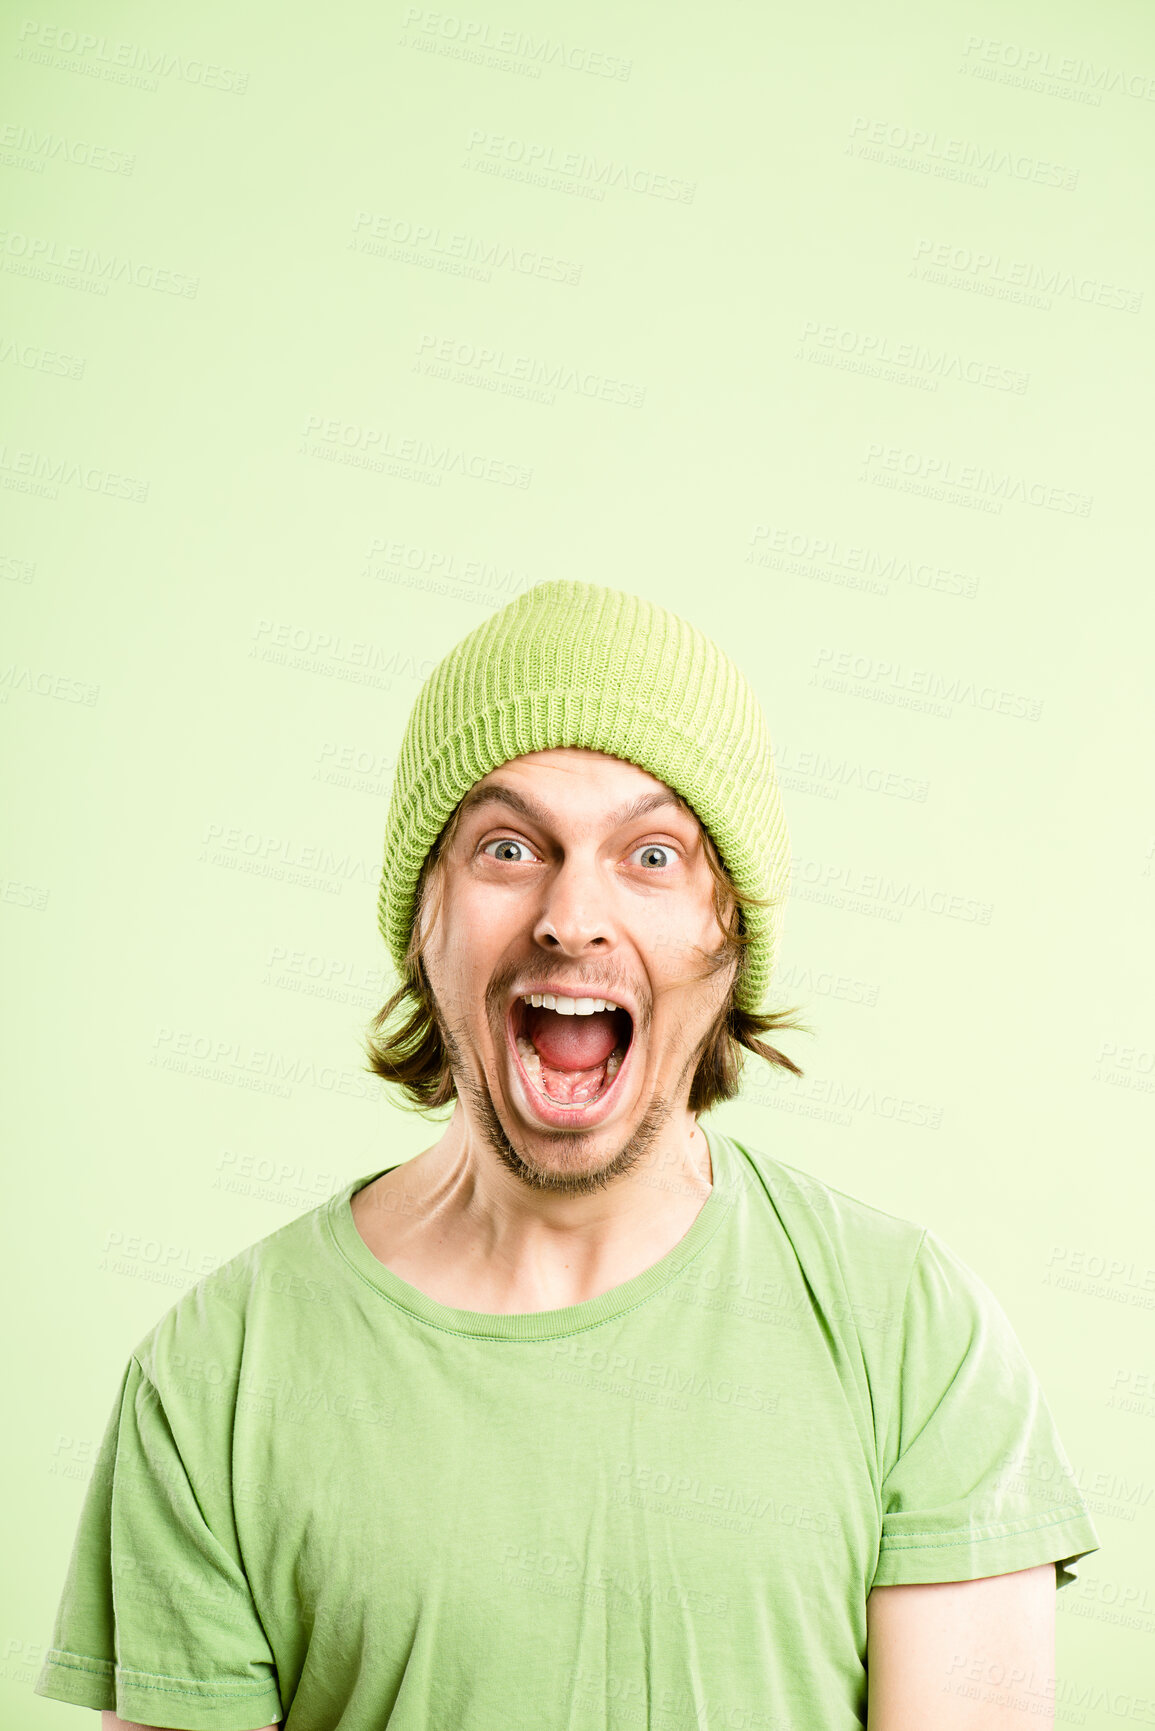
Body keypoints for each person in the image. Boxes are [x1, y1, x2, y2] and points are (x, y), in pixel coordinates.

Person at [35, 580, 1100, 1731]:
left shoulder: (914, 1335)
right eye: (506, 847)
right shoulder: (212, 1382)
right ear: (422, 920)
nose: (570, 915)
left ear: (728, 932)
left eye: (651, 856)